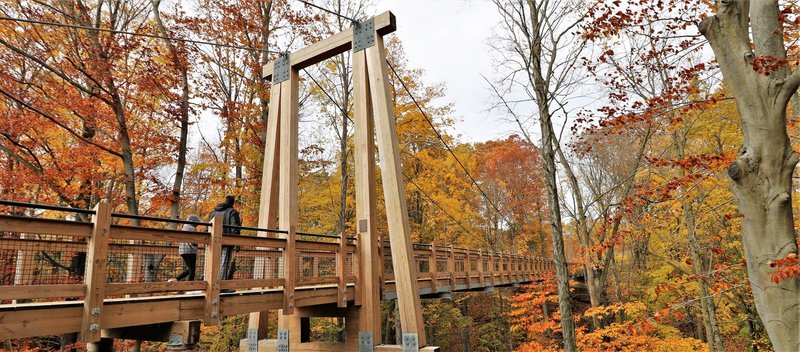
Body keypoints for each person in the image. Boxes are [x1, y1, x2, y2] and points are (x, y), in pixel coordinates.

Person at [208, 195, 241, 283]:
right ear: (233, 203)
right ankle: (222, 285)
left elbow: (207, 227)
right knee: (224, 263)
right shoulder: (233, 212)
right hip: (226, 242)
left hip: (212, 242)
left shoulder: (213, 212)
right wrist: (237, 243)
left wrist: (207, 241)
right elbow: (235, 228)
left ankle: (210, 283)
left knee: (212, 262)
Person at [175, 214, 201, 281]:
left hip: (183, 250)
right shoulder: (192, 228)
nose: (197, 224)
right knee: (192, 270)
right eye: (197, 222)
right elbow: (194, 241)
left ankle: (176, 279)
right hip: (190, 250)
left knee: (189, 269)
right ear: (193, 221)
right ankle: (190, 287)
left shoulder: (184, 227)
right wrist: (197, 243)